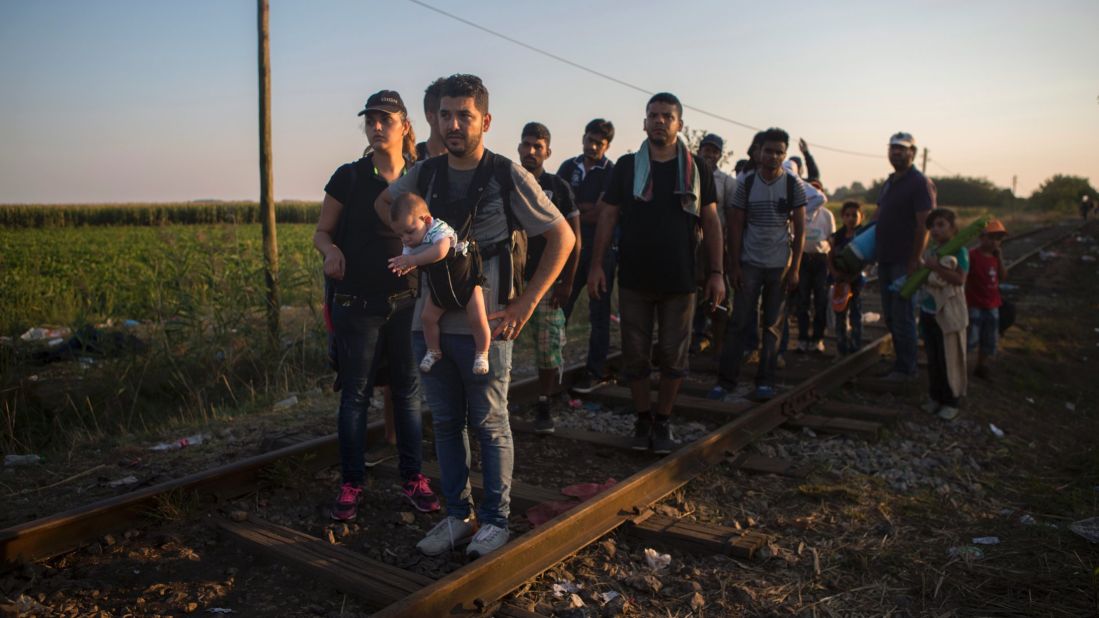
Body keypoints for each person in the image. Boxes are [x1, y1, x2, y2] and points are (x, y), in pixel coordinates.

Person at [375, 74, 573, 559]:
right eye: (445, 115)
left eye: (464, 115)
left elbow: (563, 237)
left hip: (487, 327)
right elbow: (385, 202)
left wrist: (525, 303)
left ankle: (495, 520)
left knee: (489, 424)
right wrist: (411, 238)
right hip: (433, 324)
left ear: (485, 120)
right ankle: (456, 516)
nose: (453, 124)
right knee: (445, 423)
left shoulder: (507, 174)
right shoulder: (426, 175)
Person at [314, 90, 439, 521]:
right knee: (355, 397)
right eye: (370, 118)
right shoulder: (348, 177)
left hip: (406, 304)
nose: (376, 124)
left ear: (405, 125)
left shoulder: (421, 178)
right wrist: (330, 252)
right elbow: (322, 232)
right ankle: (352, 483)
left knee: (407, 393)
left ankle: (412, 479)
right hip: (357, 305)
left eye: (386, 118)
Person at [589, 92, 724, 454]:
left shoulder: (697, 169)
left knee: (672, 354)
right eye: (653, 115)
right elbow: (608, 216)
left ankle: (663, 420)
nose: (659, 121)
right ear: (645, 122)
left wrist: (716, 273)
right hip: (634, 278)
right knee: (635, 353)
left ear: (679, 124)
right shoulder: (628, 167)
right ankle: (643, 417)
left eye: (667, 115)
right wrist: (597, 265)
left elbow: (711, 221)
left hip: (680, 279)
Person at [712, 128, 807, 402]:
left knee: (772, 326)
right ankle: (726, 381)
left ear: (784, 154)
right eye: (768, 151)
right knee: (739, 323)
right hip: (750, 263)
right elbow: (736, 225)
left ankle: (765, 381)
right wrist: (734, 265)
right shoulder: (747, 183)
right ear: (758, 152)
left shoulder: (792, 184)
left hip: (779, 266)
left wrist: (796, 267)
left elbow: (800, 229)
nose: (773, 156)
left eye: (779, 152)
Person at [517, 122, 581, 433]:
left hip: (547, 282)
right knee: (498, 345)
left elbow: (575, 238)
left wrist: (567, 282)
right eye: (526, 145)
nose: (530, 151)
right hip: (512, 281)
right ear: (518, 148)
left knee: (547, 347)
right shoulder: (509, 182)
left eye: (537, 147)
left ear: (548, 152)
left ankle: (544, 403)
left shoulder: (559, 187)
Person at [386, 194, 491, 375]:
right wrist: (403, 265)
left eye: (409, 232)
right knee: (427, 318)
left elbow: (441, 251)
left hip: (465, 284)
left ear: (426, 220)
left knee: (478, 318)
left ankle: (482, 353)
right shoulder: (411, 239)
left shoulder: (438, 229)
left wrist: (413, 260)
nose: (405, 239)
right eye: (400, 234)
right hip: (440, 289)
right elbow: (407, 258)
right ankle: (433, 350)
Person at [558, 119, 617, 393]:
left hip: (600, 252)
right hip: (569, 251)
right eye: (589, 140)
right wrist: (583, 209)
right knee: (560, 309)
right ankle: (553, 368)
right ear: (583, 137)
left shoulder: (611, 172)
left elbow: (601, 212)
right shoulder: (568, 167)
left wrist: (576, 210)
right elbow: (556, 207)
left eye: (599, 143)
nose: (592, 146)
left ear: (607, 146)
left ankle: (595, 371)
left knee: (599, 313)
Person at [874, 132, 936, 381]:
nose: (896, 152)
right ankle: (901, 362)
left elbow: (925, 225)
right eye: (893, 148)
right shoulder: (890, 182)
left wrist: (915, 259)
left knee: (903, 315)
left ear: (913, 152)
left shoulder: (919, 183)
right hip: (885, 257)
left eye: (902, 149)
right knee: (890, 315)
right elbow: (877, 217)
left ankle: (906, 368)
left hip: (904, 260)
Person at [916, 208, 969, 420]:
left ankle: (951, 401)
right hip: (930, 312)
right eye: (933, 226)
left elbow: (959, 279)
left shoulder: (959, 251)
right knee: (934, 359)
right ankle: (935, 397)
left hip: (949, 313)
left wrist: (935, 267)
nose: (936, 230)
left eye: (941, 225)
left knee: (950, 358)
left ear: (953, 228)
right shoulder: (931, 251)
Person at [691, 133, 736, 355]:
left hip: (715, 246)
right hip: (691, 245)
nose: (709, 154)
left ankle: (718, 346)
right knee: (692, 295)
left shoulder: (727, 182)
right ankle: (697, 338)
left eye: (714, 151)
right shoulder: (690, 174)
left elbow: (729, 216)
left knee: (717, 297)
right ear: (700, 151)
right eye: (706, 149)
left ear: (719, 155)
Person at [794, 163, 835, 354]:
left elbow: (831, 239)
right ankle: (802, 339)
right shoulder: (799, 212)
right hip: (802, 259)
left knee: (820, 301)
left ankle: (817, 339)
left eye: (818, 189)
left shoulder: (827, 215)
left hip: (820, 260)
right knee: (802, 301)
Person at [965, 219, 1007, 379]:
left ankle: (981, 365)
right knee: (971, 337)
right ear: (981, 237)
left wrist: (1000, 258)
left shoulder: (996, 257)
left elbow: (1003, 277)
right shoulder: (972, 256)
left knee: (989, 338)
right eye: (991, 237)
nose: (995, 242)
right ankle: (962, 365)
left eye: (998, 239)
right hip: (974, 304)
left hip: (992, 305)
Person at [828, 201, 866, 356]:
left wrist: (854, 275)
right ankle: (841, 348)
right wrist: (835, 273)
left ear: (861, 217)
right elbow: (829, 256)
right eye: (847, 215)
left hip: (856, 282)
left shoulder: (863, 236)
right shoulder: (837, 236)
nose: (851, 218)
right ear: (842, 217)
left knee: (856, 315)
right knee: (840, 315)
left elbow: (866, 259)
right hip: (839, 281)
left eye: (854, 215)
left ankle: (855, 348)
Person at [414, 77, 447, 161]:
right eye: (446, 115)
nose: (455, 124)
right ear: (430, 117)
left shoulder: (469, 163)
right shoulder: (410, 161)